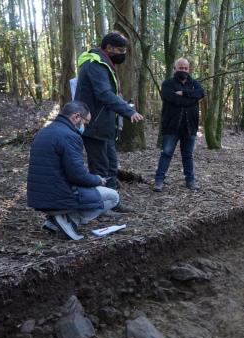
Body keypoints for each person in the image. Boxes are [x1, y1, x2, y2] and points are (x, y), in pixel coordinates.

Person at [27, 101, 120, 241]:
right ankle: (70, 220)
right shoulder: (70, 136)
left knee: (94, 190)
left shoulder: (45, 131)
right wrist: (97, 180)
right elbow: (77, 175)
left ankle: (53, 222)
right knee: (113, 197)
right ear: (76, 117)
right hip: (58, 196)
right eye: (85, 122)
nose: (85, 127)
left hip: (38, 196)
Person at [75, 31, 144, 211]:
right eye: (120, 50)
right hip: (93, 125)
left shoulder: (104, 63)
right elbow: (104, 94)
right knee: (100, 168)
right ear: (108, 48)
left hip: (105, 126)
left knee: (112, 165)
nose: (123, 54)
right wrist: (127, 111)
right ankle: (100, 205)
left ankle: (113, 202)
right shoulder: (95, 64)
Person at [153, 57, 206, 192]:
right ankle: (159, 181)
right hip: (171, 126)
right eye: (180, 68)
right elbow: (170, 98)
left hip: (190, 126)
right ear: (175, 68)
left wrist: (184, 93)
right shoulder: (167, 84)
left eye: (185, 68)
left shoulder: (194, 84)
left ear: (189, 69)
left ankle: (190, 181)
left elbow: (201, 93)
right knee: (166, 153)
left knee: (188, 155)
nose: (183, 70)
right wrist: (191, 99)